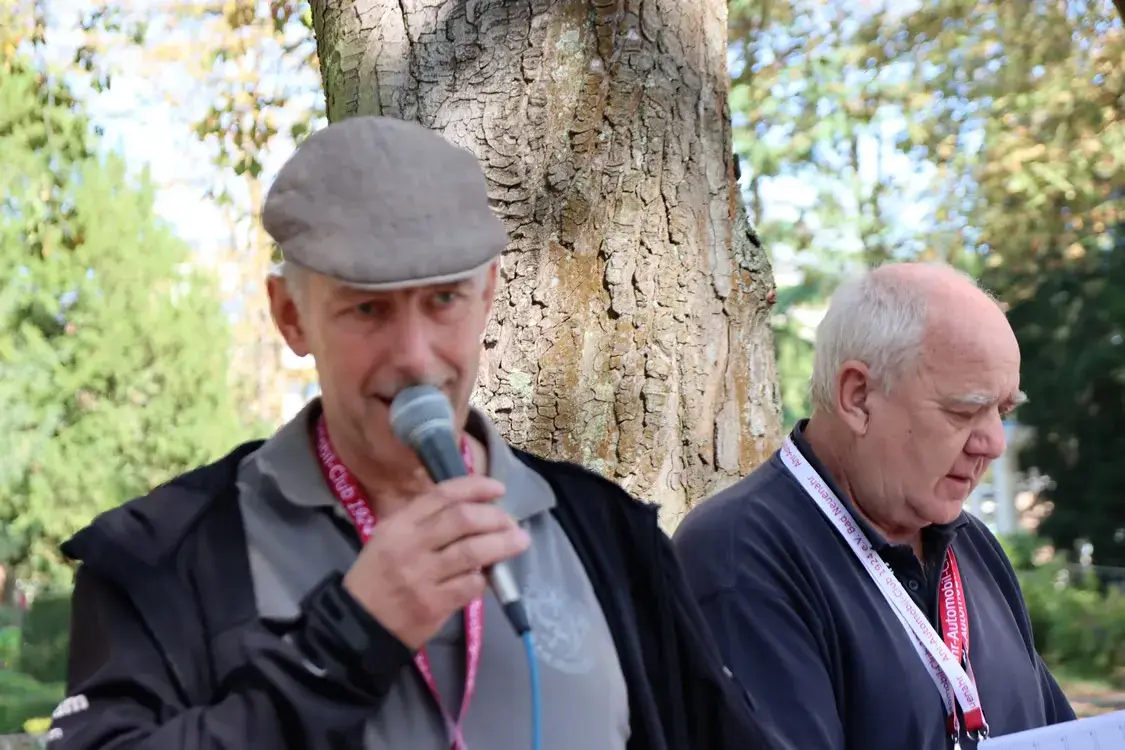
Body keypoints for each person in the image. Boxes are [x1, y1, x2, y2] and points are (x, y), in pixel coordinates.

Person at [47, 116, 783, 750]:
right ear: (291, 317)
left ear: (487, 294)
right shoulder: (163, 555)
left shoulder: (609, 537)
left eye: (442, 300)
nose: (414, 357)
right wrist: (346, 642)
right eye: (367, 309)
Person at [673, 262, 1075, 750]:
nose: (993, 443)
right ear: (859, 397)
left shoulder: (972, 545)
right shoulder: (738, 556)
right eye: (965, 410)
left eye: (1002, 411)